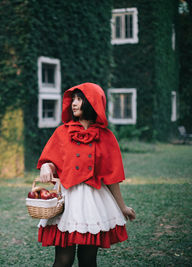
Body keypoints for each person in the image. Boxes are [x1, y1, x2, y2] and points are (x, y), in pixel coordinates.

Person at [36, 82, 136, 267]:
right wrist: (46, 167)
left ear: (92, 102)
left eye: (80, 99)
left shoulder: (106, 137)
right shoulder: (62, 132)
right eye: (73, 99)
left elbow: (112, 178)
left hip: (93, 202)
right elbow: (51, 160)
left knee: (88, 260)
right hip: (67, 201)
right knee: (63, 260)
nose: (74, 103)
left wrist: (122, 207)